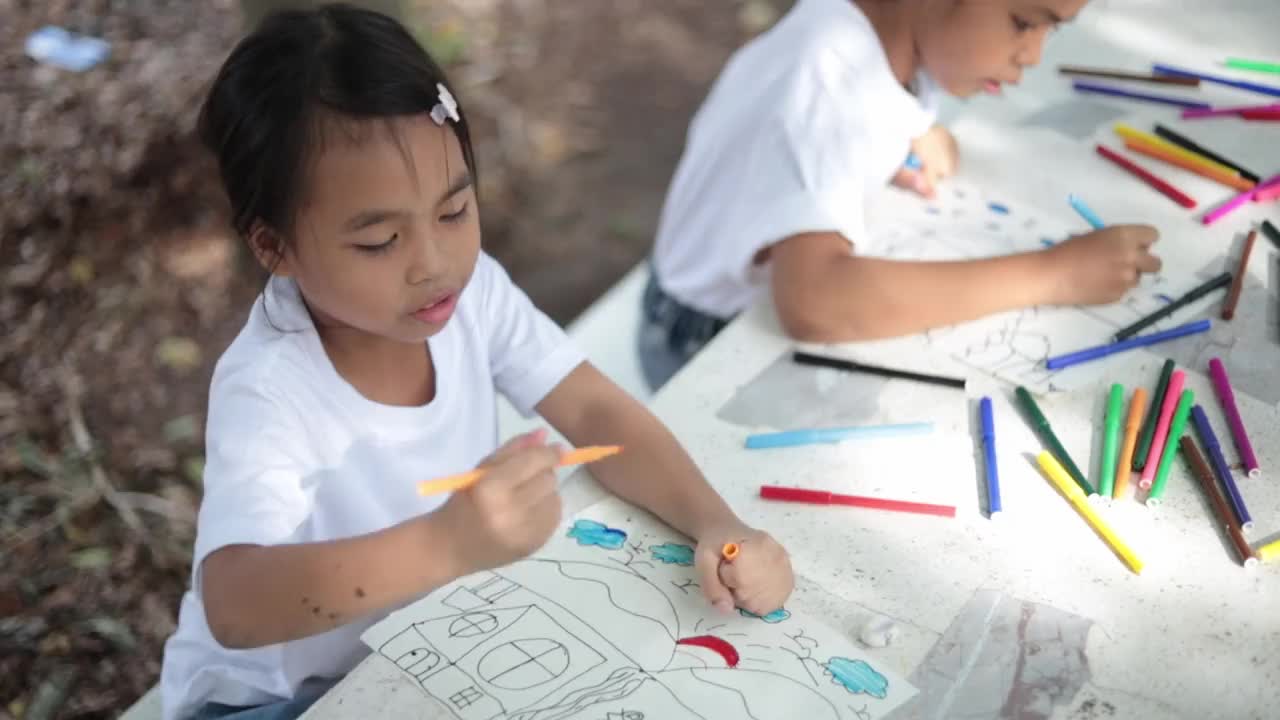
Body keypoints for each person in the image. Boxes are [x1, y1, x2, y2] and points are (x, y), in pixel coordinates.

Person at [160, 5, 794, 719]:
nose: (433, 264)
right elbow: (236, 603)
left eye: (454, 212)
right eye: (378, 242)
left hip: (419, 644)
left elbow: (592, 411)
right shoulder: (270, 389)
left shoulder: (474, 294)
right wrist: (447, 545)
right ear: (274, 247)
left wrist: (716, 524)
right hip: (277, 700)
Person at [639, 0, 1162, 390]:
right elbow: (814, 301)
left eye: (1052, 28)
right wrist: (1055, 274)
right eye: (1024, 22)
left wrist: (907, 134)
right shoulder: (824, 78)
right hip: (703, 340)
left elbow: (862, 106)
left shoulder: (886, 38)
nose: (1032, 55)